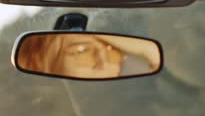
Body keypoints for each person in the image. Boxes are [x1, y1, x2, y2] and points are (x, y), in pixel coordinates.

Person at [17, 33, 160, 79]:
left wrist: (148, 49)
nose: (103, 58)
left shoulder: (135, 69)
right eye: (80, 51)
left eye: (109, 47)